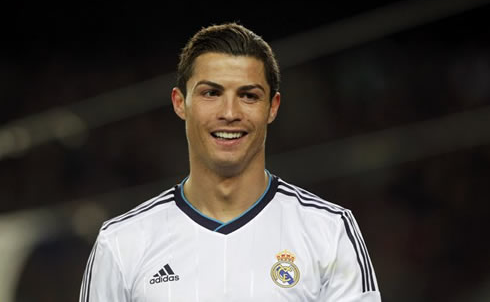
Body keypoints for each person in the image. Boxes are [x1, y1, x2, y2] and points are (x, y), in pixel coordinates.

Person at [79, 22, 381, 301]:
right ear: (180, 103)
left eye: (248, 96)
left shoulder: (328, 231)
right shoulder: (122, 243)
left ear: (272, 107)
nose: (229, 112)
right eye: (211, 93)